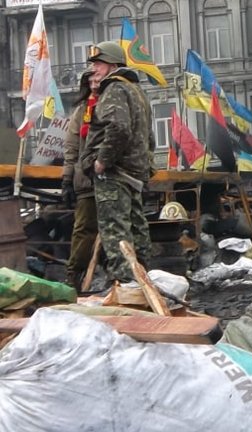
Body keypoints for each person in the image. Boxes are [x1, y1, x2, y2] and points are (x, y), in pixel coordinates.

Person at [80, 41, 154, 283]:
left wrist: (102, 161)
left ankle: (125, 288)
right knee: (137, 230)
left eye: (98, 64)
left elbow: (119, 128)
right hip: (133, 173)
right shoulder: (136, 91)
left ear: (112, 64)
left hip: (115, 173)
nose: (94, 69)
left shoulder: (114, 89)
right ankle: (143, 282)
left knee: (116, 234)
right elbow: (148, 136)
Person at [62, 68, 100, 290]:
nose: (94, 82)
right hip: (86, 181)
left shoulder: (113, 105)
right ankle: (73, 276)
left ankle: (121, 277)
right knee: (84, 230)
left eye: (98, 78)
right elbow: (72, 148)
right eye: (90, 79)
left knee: (117, 230)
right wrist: (67, 180)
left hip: (112, 179)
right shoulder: (80, 112)